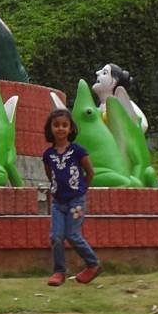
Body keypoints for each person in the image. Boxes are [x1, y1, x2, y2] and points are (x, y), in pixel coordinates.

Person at [42, 106, 102, 286]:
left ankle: (93, 264)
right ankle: (59, 272)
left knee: (73, 234)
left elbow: (89, 172)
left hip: (76, 202)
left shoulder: (78, 151)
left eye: (64, 125)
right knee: (56, 236)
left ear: (71, 129)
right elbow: (50, 174)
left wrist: (82, 190)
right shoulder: (48, 155)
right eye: (56, 125)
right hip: (58, 202)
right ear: (50, 128)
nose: (60, 128)